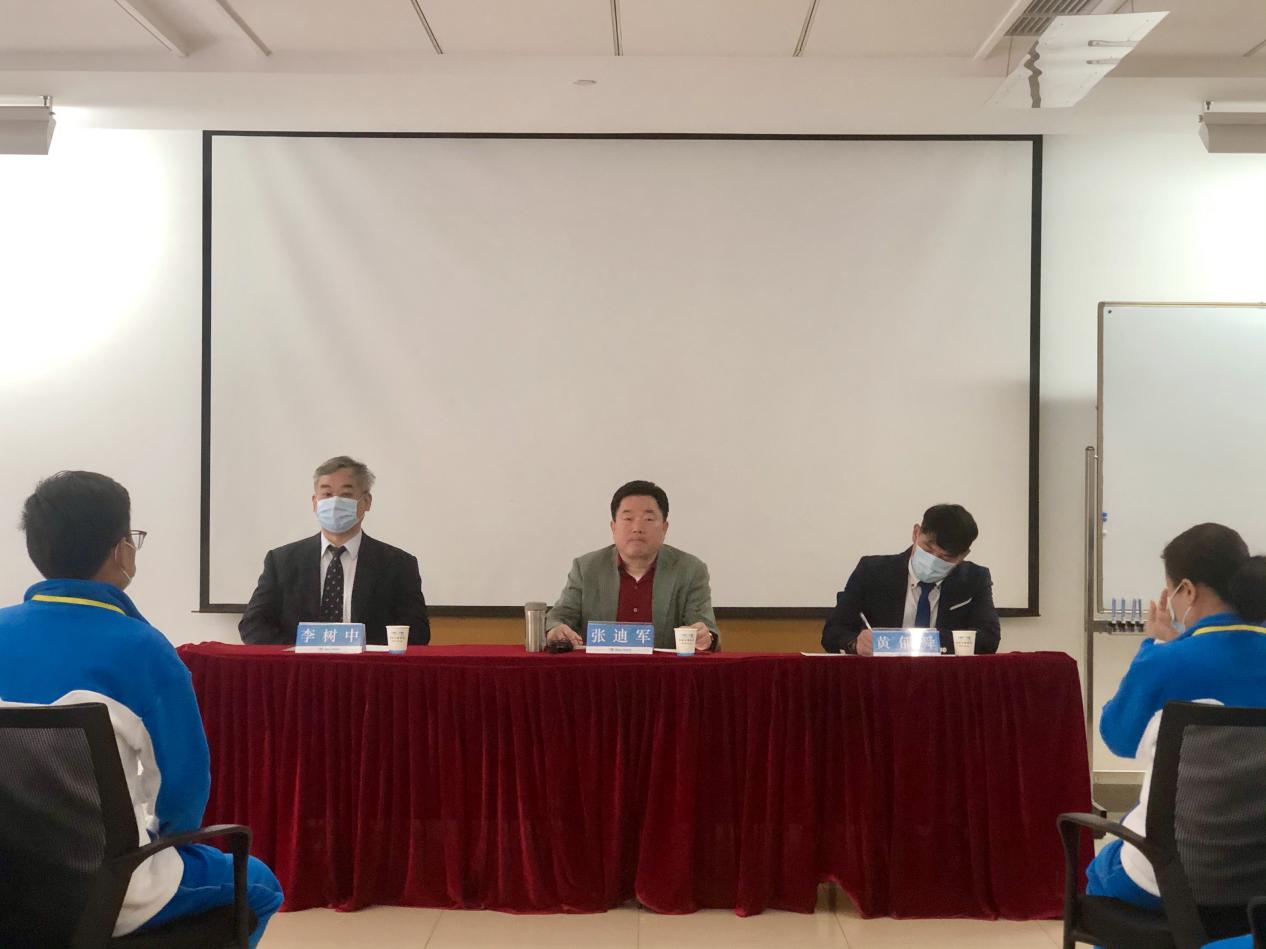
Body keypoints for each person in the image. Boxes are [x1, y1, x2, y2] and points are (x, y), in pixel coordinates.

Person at [0, 471, 282, 945]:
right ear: (122, 551)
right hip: (112, 893)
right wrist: (159, 841)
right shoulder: (144, 648)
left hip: (9, 884)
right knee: (260, 885)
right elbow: (183, 792)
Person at [1086, 522, 1266, 912]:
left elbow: (1118, 739)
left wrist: (1156, 648)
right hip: (1258, 876)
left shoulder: (1164, 662)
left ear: (1187, 590)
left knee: (1101, 872)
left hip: (1171, 877)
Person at [239, 455, 430, 646]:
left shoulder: (398, 564)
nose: (335, 502)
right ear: (315, 502)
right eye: (327, 494)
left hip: (367, 663)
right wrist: (300, 651)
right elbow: (253, 625)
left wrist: (362, 652)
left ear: (366, 501)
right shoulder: (281, 561)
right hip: (298, 662)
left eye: (346, 494)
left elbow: (417, 631)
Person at [546, 480, 719, 651]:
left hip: (663, 669)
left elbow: (705, 627)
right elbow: (558, 617)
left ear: (664, 528)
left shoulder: (690, 570)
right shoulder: (586, 568)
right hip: (601, 668)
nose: (637, 528)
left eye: (648, 519)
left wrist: (705, 637)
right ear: (613, 527)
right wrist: (556, 629)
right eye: (628, 518)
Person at [821, 503, 1001, 655]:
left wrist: (916, 642)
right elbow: (833, 632)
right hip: (880, 675)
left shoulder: (975, 579)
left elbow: (989, 639)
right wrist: (855, 643)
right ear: (916, 533)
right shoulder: (872, 571)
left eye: (945, 557)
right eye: (928, 549)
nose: (933, 561)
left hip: (943, 677)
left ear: (963, 555)